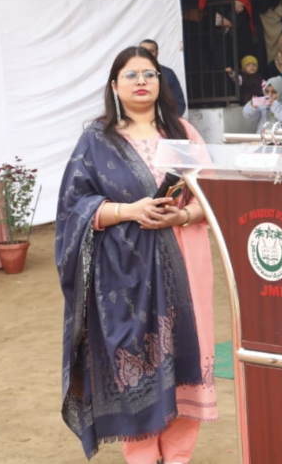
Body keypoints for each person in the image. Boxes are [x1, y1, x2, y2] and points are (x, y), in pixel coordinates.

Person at [56, 46, 217, 462]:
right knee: (135, 363)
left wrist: (181, 216)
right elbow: (74, 207)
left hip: (185, 262)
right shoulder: (97, 138)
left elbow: (214, 197)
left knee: (188, 358)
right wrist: (130, 210)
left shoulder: (183, 133)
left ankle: (178, 456)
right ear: (114, 86)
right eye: (131, 75)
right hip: (123, 274)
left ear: (160, 82)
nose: (141, 81)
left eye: (149, 74)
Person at [198, 0, 254, 84]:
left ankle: (238, 93)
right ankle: (223, 93)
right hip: (215, 26)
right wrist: (230, 1)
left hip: (235, 26)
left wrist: (238, 4)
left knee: (235, 58)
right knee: (219, 60)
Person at [139, 39, 187, 116]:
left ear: (157, 53)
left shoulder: (168, 74)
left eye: (151, 51)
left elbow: (179, 104)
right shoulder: (129, 75)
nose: (147, 54)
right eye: (144, 51)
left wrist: (168, 121)